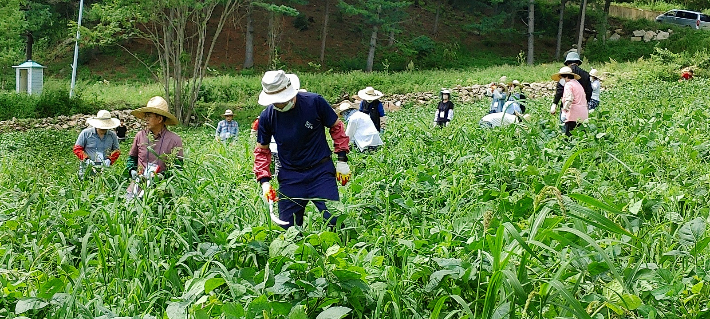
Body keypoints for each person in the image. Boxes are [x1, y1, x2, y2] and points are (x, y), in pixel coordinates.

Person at [254, 70, 351, 229]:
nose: (282, 104)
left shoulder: (314, 102)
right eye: (277, 102)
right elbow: (262, 151)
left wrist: (342, 160)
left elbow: (336, 127)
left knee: (335, 221)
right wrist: (264, 182)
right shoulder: (267, 117)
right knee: (288, 228)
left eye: (284, 99)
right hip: (290, 176)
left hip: (320, 171)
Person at [126, 96, 184, 183]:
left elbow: (178, 168)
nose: (146, 119)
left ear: (160, 119)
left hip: (163, 188)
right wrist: (132, 171)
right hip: (139, 185)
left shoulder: (174, 140)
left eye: (149, 116)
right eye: (145, 116)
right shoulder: (140, 136)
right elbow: (131, 159)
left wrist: (161, 177)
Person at [73, 110, 121, 179]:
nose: (103, 129)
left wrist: (109, 160)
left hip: (104, 169)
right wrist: (86, 159)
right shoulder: (86, 133)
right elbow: (77, 149)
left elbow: (117, 150)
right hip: (87, 168)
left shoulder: (112, 136)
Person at [551, 52, 592, 116]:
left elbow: (559, 91)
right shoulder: (586, 74)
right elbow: (589, 91)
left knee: (565, 124)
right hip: (581, 108)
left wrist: (554, 104)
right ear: (578, 63)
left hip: (566, 108)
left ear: (567, 63)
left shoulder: (565, 75)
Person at [550, 66, 588, 136]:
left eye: (561, 78)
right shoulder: (577, 83)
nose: (561, 80)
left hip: (573, 116)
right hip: (583, 114)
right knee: (580, 136)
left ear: (566, 77)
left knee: (569, 138)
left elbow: (569, 99)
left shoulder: (568, 85)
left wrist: (565, 111)